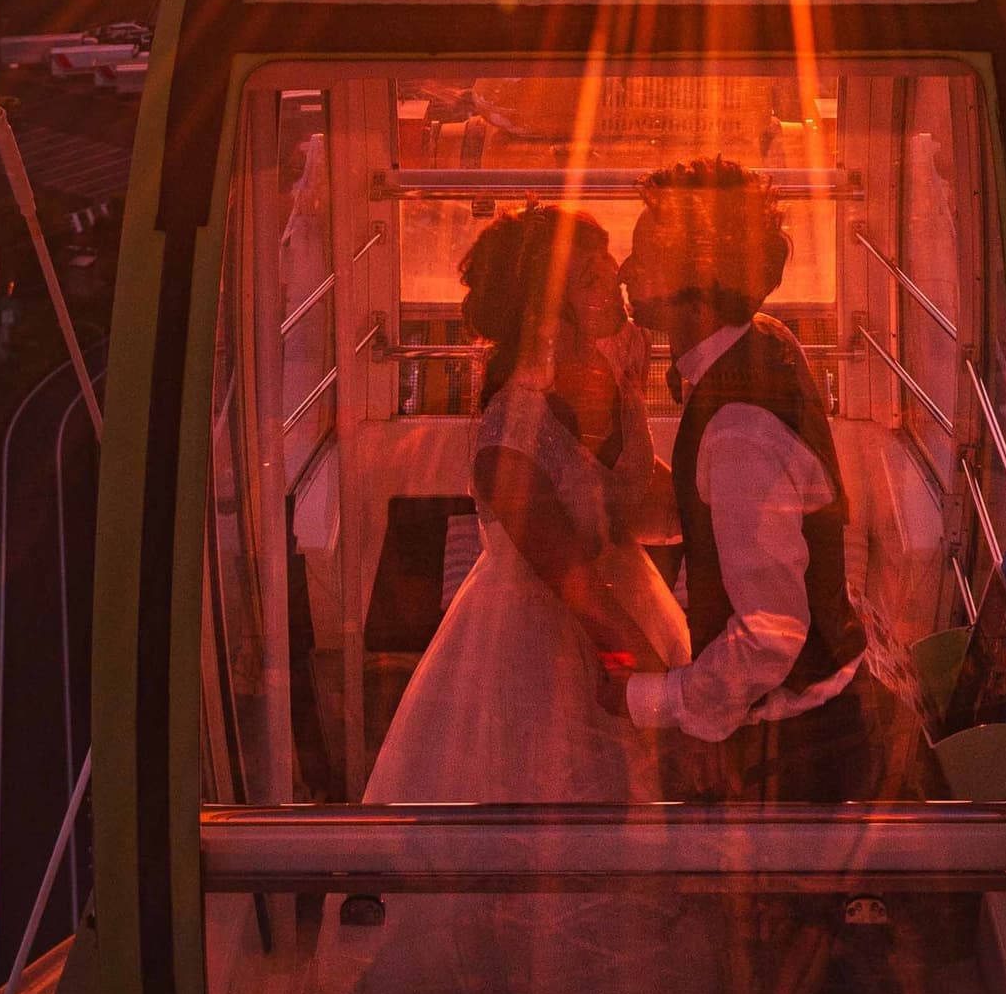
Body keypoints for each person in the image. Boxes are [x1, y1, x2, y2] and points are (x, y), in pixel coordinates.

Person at [606, 158, 918, 809]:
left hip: (800, 750)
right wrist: (627, 405)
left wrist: (652, 699)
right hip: (811, 721)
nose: (626, 273)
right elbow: (696, 516)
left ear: (695, 279)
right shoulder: (765, 342)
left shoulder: (739, 429)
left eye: (642, 256)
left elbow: (772, 635)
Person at [364, 204, 684, 809]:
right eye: (592, 276)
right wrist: (658, 691)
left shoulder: (617, 369)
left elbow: (633, 508)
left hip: (632, 605)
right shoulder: (508, 438)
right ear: (546, 305)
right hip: (541, 653)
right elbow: (582, 594)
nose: (616, 277)